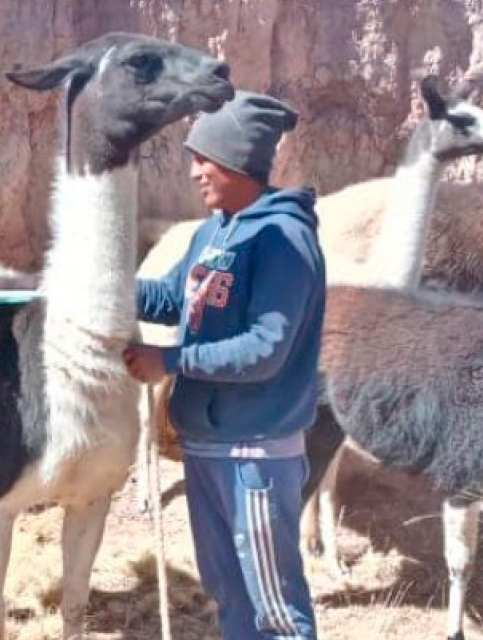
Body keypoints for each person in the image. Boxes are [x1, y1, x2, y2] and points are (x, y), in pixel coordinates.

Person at [126, 93, 325, 640]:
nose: (193, 173)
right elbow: (172, 299)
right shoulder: (212, 233)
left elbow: (266, 349)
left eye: (202, 159)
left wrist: (169, 360)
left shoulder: (283, 240)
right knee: (230, 597)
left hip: (253, 454)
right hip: (208, 447)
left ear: (237, 160)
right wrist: (106, 286)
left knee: (275, 611)